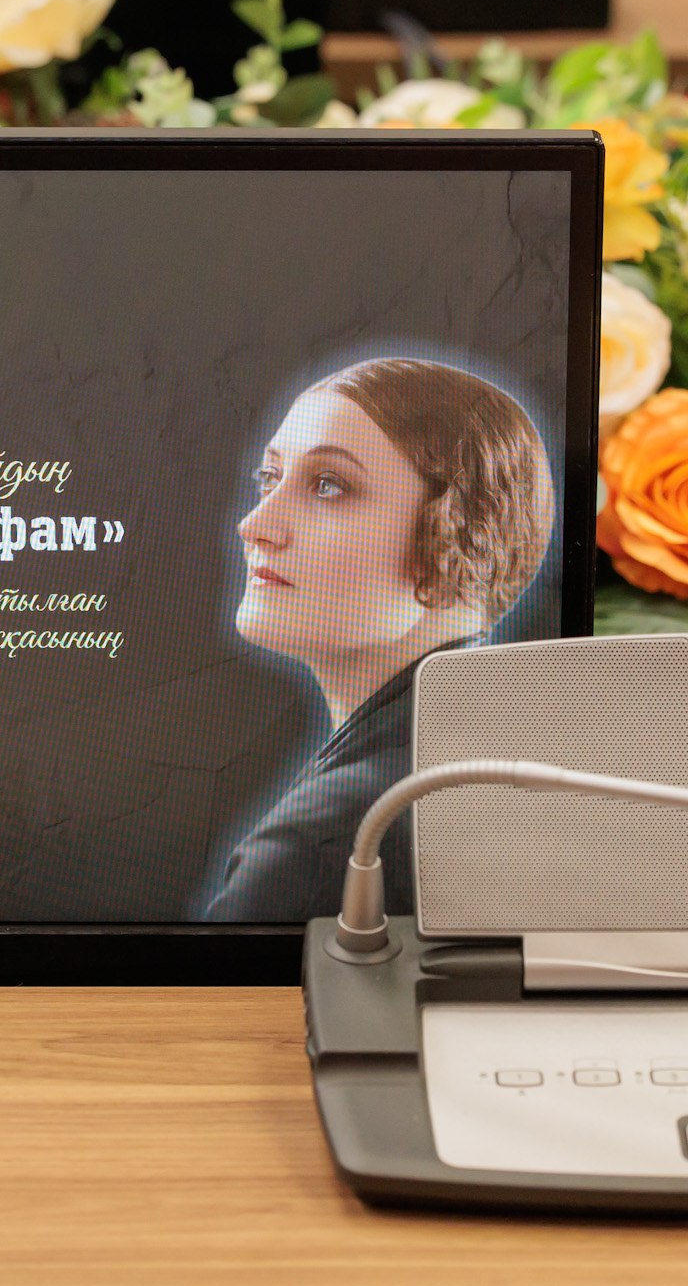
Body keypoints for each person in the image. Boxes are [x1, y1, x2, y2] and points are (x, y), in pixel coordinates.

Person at [197, 358, 555, 922]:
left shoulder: (320, 845)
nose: (255, 524)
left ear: (455, 537)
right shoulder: (514, 752)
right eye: (270, 478)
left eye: (328, 486)